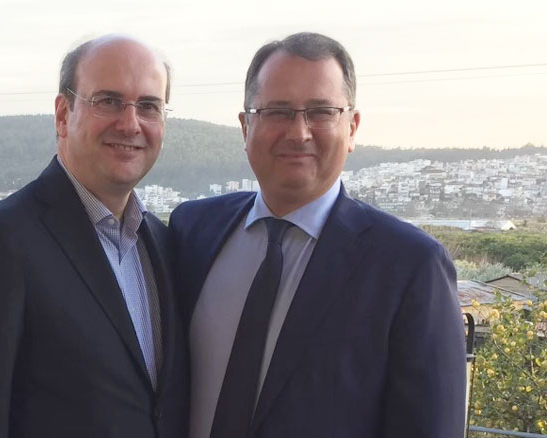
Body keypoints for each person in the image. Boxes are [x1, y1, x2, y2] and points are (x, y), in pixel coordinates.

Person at [170, 32, 466, 438]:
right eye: (277, 111)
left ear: (352, 127)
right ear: (245, 127)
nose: (299, 133)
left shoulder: (410, 267)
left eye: (321, 112)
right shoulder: (192, 230)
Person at [0, 35, 187, 438]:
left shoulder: (164, 242)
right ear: (62, 114)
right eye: (108, 101)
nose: (130, 123)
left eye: (148, 106)